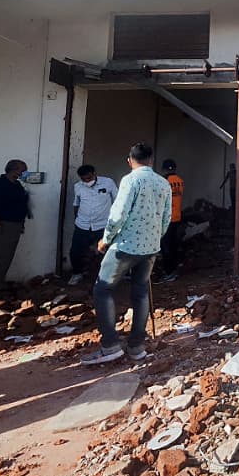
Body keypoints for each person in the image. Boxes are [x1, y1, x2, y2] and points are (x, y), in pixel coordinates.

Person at [81, 143, 171, 365]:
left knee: (103, 289)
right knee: (140, 293)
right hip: (150, 248)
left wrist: (105, 239)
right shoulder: (163, 183)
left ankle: (110, 345)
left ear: (129, 160)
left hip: (126, 246)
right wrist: (155, 239)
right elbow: (166, 217)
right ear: (151, 160)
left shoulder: (130, 180)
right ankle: (136, 347)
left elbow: (118, 213)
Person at [68, 165, 118, 285]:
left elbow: (117, 200)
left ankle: (107, 277)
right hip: (83, 225)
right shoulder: (78, 186)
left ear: (94, 173)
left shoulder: (108, 182)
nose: (87, 181)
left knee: (106, 251)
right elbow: (76, 204)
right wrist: (78, 220)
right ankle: (77, 274)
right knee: (75, 251)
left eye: (89, 178)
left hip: (102, 225)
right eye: (84, 179)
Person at [158, 159, 184, 283]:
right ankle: (173, 269)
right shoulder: (180, 181)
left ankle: (169, 272)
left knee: (166, 246)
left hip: (166, 218)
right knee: (174, 245)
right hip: (177, 217)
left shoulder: (164, 182)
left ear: (163, 169)